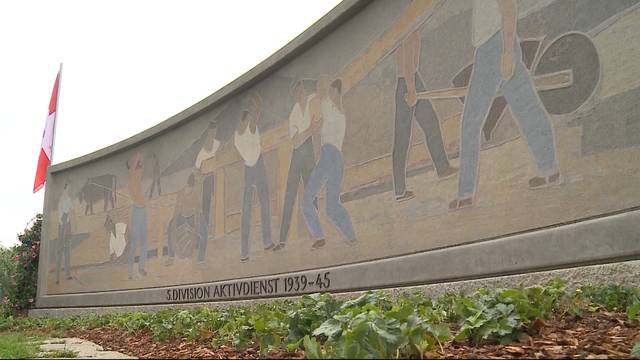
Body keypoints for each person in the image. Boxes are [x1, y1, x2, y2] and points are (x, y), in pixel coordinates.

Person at [449, 0, 559, 210]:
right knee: (528, 109)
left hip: (495, 46)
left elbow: (508, 7)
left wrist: (507, 51)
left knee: (471, 122)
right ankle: (549, 170)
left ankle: (465, 194)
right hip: (495, 46)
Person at [392, 30, 457, 202]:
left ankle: (442, 167)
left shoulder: (412, 30)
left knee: (431, 124)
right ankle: (399, 190)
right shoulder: (408, 31)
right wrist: (411, 88)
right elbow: (407, 62)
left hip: (412, 80)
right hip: (407, 82)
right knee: (403, 138)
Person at [301, 77, 357, 249]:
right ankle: (350, 236)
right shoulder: (337, 109)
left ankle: (320, 237)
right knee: (331, 206)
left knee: (307, 201)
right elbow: (318, 122)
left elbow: (317, 107)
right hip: (336, 159)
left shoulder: (329, 105)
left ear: (337, 92)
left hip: (330, 156)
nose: (329, 94)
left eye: (332, 91)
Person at [274, 80, 317, 251]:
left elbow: (318, 122)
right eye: (295, 93)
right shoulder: (294, 113)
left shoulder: (314, 100)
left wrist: (307, 132)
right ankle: (283, 240)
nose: (299, 94)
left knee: (311, 193)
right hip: (298, 155)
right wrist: (309, 131)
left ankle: (316, 235)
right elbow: (296, 141)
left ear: (304, 89)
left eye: (300, 90)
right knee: (290, 194)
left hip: (310, 151)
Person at [234, 93, 275, 261]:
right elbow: (242, 145)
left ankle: (266, 242)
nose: (257, 116)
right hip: (250, 168)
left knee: (264, 203)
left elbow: (256, 141)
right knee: (247, 209)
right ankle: (244, 251)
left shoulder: (252, 128)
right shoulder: (240, 134)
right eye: (255, 112)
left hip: (258, 164)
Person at [193, 124, 220, 263]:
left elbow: (221, 157)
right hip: (205, 185)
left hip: (219, 180)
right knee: (205, 214)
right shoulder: (201, 154)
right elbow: (197, 173)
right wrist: (204, 176)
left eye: (214, 134)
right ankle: (201, 255)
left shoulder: (217, 145)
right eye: (210, 135)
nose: (212, 137)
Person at [165, 173, 200, 265]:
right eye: (189, 187)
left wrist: (195, 220)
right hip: (181, 216)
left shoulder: (195, 193)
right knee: (170, 229)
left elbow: (196, 209)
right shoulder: (181, 192)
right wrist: (175, 219)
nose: (190, 189)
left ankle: (189, 254)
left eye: (191, 188)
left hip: (191, 217)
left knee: (194, 231)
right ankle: (171, 257)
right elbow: (177, 207)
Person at [126, 152, 148, 279]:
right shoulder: (132, 178)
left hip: (142, 211)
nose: (141, 173)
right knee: (134, 243)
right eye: (139, 170)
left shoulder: (138, 181)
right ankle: (130, 272)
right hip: (136, 212)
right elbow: (133, 168)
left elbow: (140, 168)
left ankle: (141, 268)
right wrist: (138, 156)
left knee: (144, 241)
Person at [55, 181, 73, 284]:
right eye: (68, 188)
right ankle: (57, 277)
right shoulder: (61, 200)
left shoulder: (68, 199)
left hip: (67, 225)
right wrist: (64, 223)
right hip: (62, 226)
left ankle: (67, 274)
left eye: (70, 188)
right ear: (64, 188)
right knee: (59, 251)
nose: (69, 190)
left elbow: (71, 210)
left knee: (67, 251)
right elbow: (60, 217)